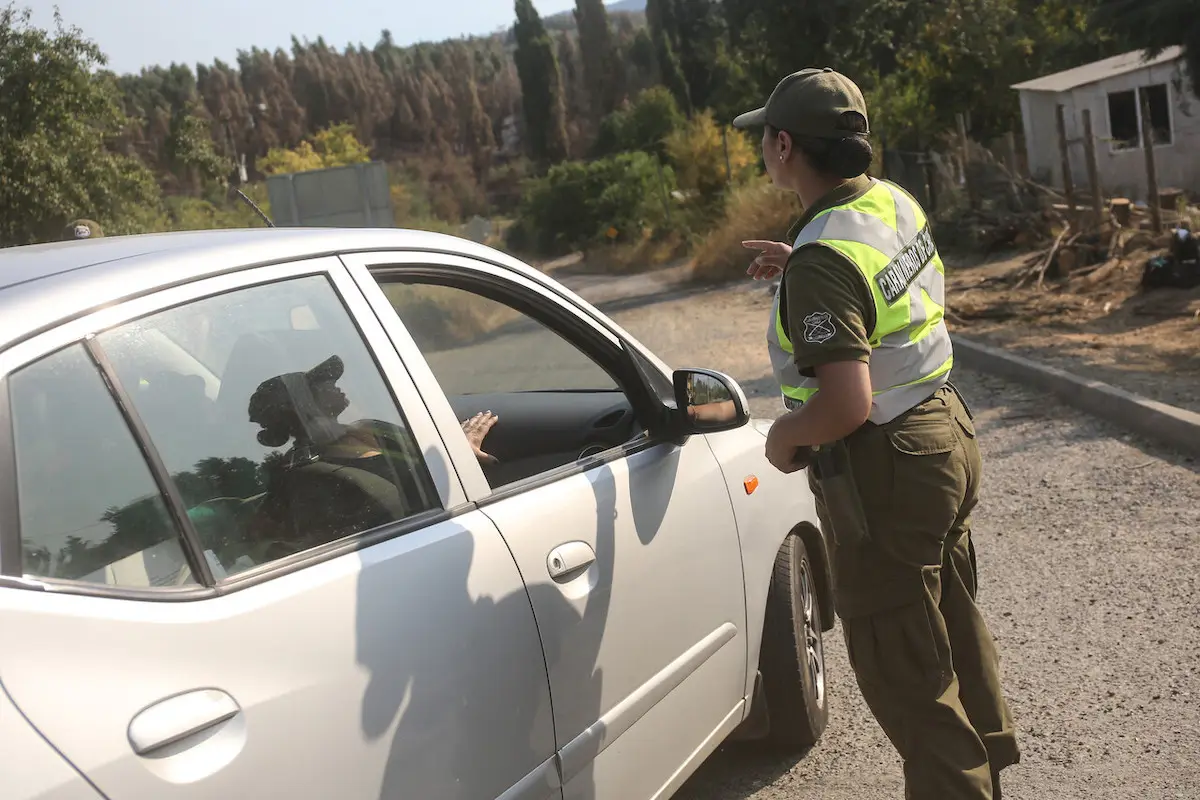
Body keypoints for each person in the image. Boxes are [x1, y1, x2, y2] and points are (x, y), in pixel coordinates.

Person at [733, 68, 1019, 799]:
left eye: (765, 137)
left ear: (786, 145)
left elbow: (844, 405)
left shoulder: (826, 258)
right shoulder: (888, 202)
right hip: (944, 431)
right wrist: (805, 265)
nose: (763, 148)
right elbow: (883, 289)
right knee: (951, 629)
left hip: (888, 466)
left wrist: (785, 439)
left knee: (906, 673)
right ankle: (988, 774)